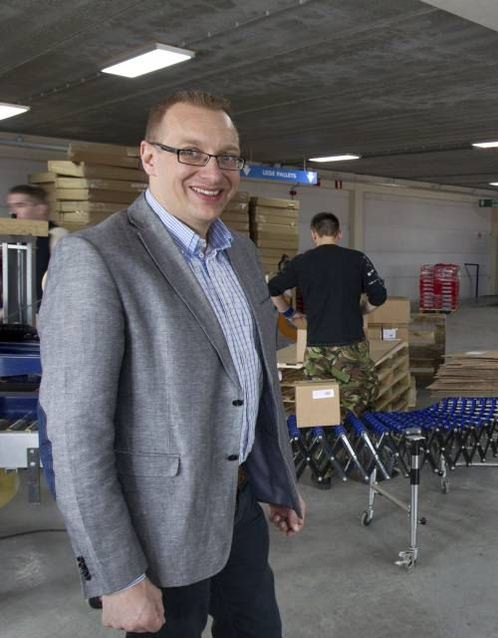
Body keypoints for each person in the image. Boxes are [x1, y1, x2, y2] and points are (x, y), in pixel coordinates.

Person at [38, 90, 305, 637]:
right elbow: (74, 434)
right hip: (157, 529)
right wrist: (116, 576)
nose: (213, 171)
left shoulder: (242, 254)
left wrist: (272, 479)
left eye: (227, 156)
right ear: (149, 156)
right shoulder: (98, 259)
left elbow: (252, 379)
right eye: (191, 152)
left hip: (239, 505)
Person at [268, 212, 387, 419]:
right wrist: (362, 310)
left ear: (314, 235)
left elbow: (273, 288)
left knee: (320, 403)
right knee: (357, 401)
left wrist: (288, 312)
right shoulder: (357, 259)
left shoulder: (301, 262)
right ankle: (354, 444)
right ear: (339, 234)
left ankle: (327, 445)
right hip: (351, 346)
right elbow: (379, 296)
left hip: (317, 348)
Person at [6, 184, 69, 300]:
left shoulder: (58, 236)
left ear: (41, 209)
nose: (13, 213)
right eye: (11, 207)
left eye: (20, 205)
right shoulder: (14, 238)